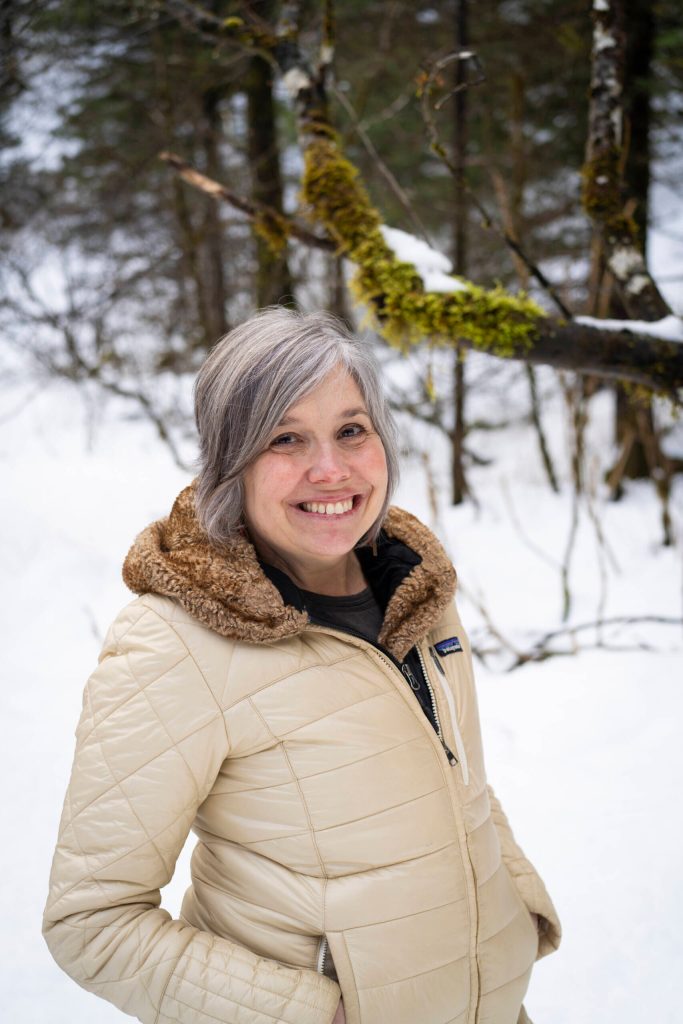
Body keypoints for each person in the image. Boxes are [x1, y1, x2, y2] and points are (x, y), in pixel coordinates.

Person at [43, 307, 561, 1024]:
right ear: (230, 463)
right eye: (285, 438)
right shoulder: (174, 645)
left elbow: (449, 776)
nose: (331, 468)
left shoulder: (417, 594)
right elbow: (91, 922)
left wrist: (513, 907)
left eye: (351, 429)